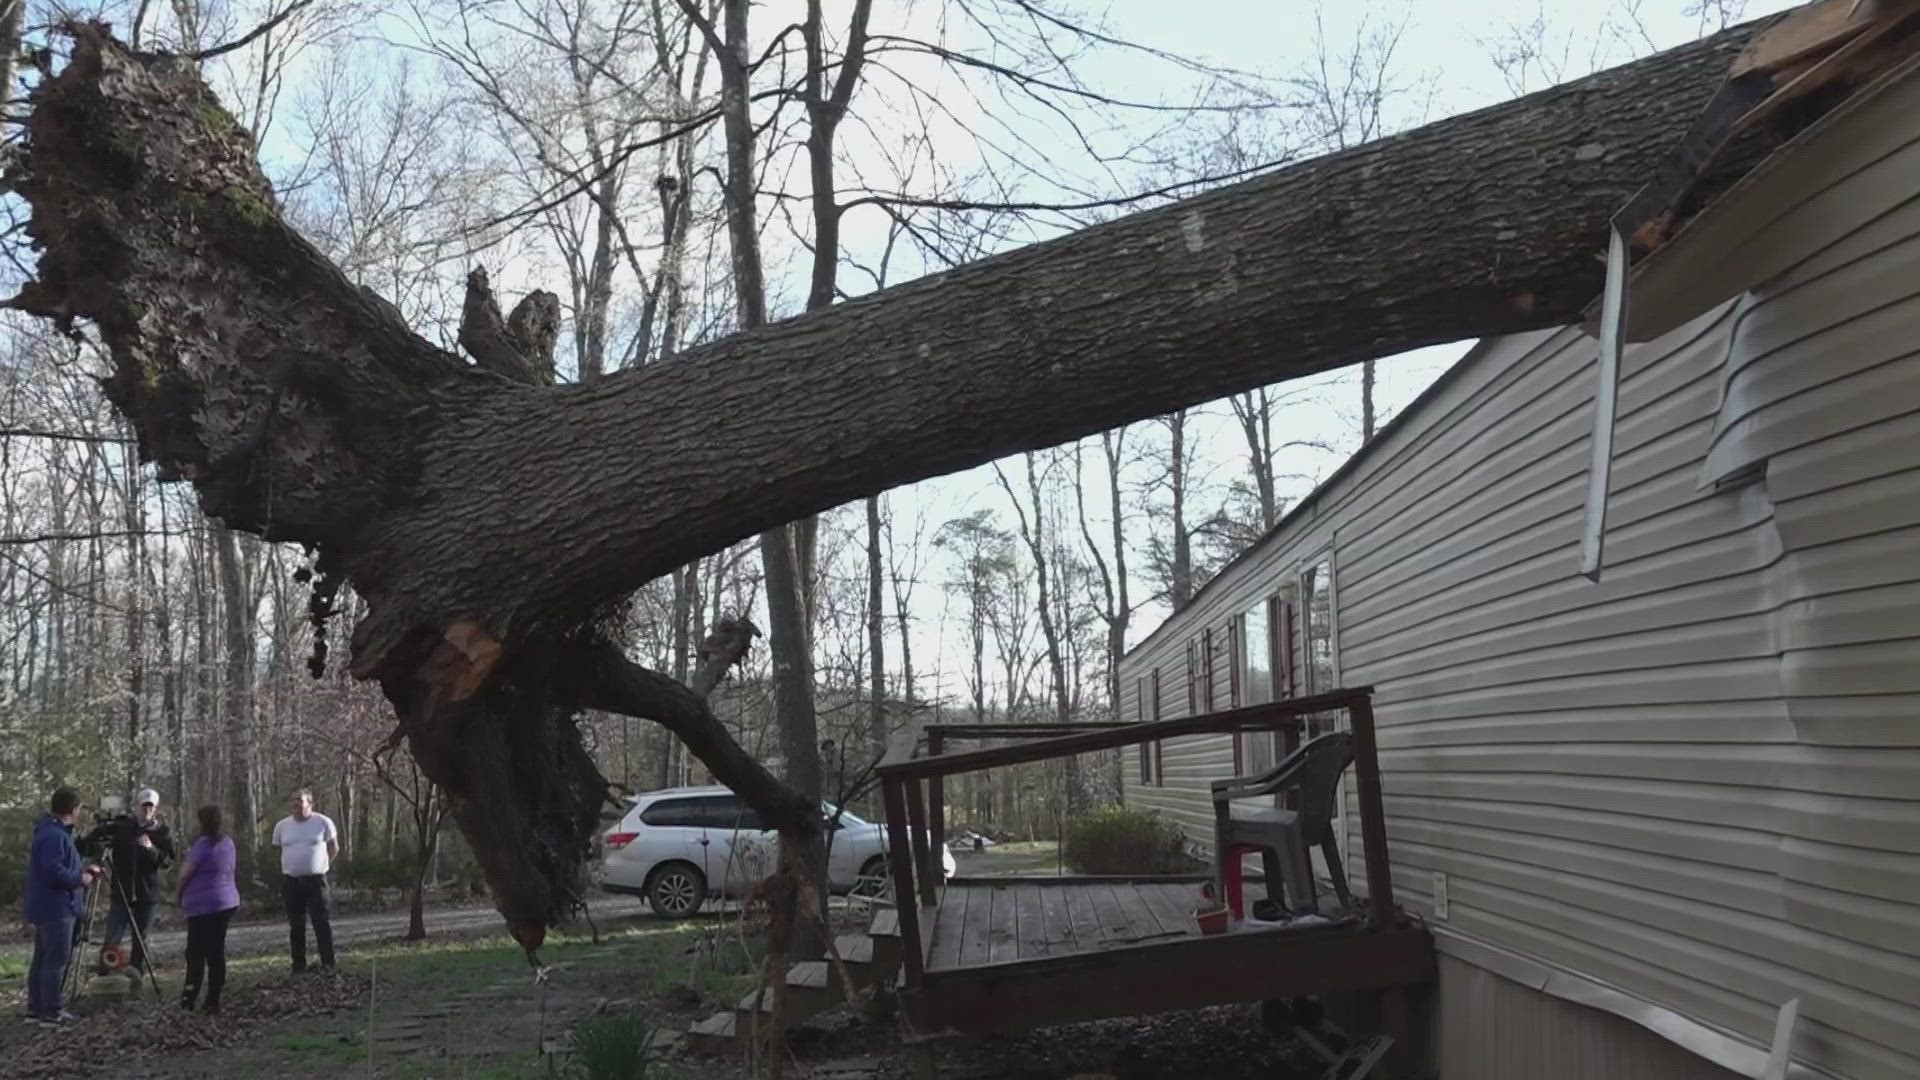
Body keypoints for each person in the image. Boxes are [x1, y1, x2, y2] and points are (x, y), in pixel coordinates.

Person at [25, 787, 101, 1026]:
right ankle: (50, 1010)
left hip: (49, 904)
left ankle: (36, 1007)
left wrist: (80, 870)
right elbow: (54, 872)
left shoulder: (51, 832)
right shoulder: (54, 836)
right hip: (56, 907)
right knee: (55, 961)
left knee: (43, 959)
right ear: (73, 809)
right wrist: (81, 878)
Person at [96, 786, 175, 977]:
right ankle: (106, 976)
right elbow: (101, 843)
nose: (147, 810)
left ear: (156, 809)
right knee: (112, 937)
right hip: (122, 891)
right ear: (137, 807)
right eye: (144, 806)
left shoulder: (162, 832)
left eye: (151, 807)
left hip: (146, 894)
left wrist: (151, 849)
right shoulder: (124, 829)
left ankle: (136, 977)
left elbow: (167, 861)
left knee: (141, 939)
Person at [177, 805, 240, 1013]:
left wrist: (179, 893)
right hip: (226, 902)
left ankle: (189, 997)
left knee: (195, 953)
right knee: (216, 952)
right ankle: (213, 999)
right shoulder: (228, 843)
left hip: (203, 906)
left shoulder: (203, 845)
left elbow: (186, 873)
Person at [271, 788, 339, 973]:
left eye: (299, 801)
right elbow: (278, 850)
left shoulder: (323, 822)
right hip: (292, 881)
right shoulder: (282, 826)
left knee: (321, 922)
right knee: (296, 925)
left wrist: (322, 865)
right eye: (292, 801)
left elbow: (334, 847)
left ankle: (328, 963)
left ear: (310, 803)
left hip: (316, 881)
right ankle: (298, 965)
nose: (295, 804)